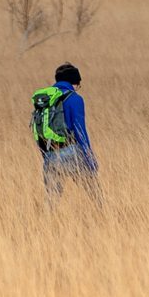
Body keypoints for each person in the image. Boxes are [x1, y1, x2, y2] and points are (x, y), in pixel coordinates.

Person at [32, 63, 99, 203]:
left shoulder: (46, 100)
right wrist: (89, 158)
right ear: (74, 82)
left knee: (51, 201)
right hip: (71, 152)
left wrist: (47, 155)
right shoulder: (75, 99)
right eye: (78, 84)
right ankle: (103, 218)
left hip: (50, 155)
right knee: (95, 195)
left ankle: (44, 224)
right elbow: (80, 130)